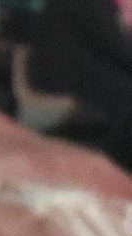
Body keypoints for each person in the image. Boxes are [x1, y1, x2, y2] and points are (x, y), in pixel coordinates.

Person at [27, 0, 132, 171]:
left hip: (78, 72)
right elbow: (116, 46)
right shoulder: (90, 4)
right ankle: (115, 169)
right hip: (68, 78)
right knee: (128, 103)